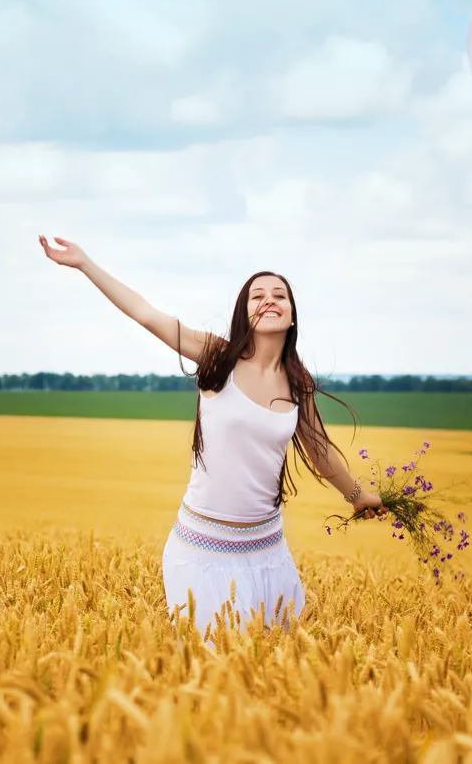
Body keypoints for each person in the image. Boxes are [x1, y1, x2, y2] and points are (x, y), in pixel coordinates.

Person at [39, 235, 386, 641]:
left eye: (280, 295)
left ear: (292, 316)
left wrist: (357, 495)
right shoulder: (218, 356)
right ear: (245, 313)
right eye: (257, 296)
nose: (269, 300)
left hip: (268, 552)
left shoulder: (298, 383)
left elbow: (319, 450)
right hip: (203, 551)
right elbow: (148, 315)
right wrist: (85, 263)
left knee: (268, 671)